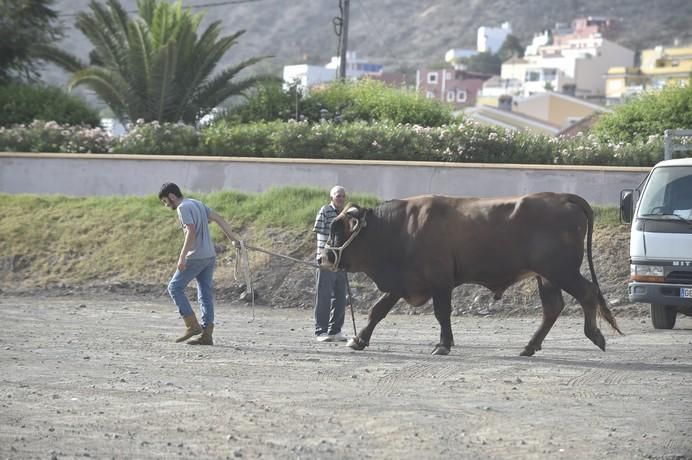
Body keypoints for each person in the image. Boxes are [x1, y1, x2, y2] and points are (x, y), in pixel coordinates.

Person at [158, 182, 241, 346]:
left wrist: (182, 257)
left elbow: (190, 231)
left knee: (174, 287)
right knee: (205, 293)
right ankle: (207, 335)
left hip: (195, 257)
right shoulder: (196, 203)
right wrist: (233, 239)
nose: (166, 205)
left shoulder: (182, 207)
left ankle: (192, 326)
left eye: (165, 201)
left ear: (172, 196)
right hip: (209, 256)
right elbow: (218, 218)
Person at [312, 185, 349, 342]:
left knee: (341, 296)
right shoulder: (325, 211)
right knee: (324, 295)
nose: (340, 198)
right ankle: (321, 331)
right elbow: (320, 233)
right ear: (331, 197)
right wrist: (323, 256)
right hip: (327, 258)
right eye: (337, 196)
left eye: (342, 196)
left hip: (341, 260)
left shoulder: (346, 213)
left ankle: (335, 330)